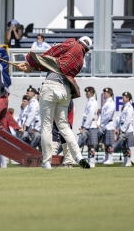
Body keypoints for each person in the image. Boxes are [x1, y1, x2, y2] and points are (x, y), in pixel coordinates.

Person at [17, 36, 92, 170]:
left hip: (51, 86)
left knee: (46, 125)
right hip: (65, 91)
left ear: (79, 41)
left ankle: (47, 162)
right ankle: (79, 158)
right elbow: (55, 65)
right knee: (64, 126)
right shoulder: (80, 61)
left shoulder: (72, 42)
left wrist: (32, 62)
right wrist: (32, 67)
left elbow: (53, 52)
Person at [78, 86, 99, 167]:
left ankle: (92, 162)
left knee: (90, 144)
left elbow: (90, 116)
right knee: (89, 145)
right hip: (88, 126)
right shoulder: (89, 101)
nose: (86, 93)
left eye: (87, 92)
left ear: (91, 93)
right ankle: (90, 161)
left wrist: (84, 127)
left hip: (91, 126)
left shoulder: (93, 102)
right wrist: (82, 126)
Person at [112, 92, 134, 167]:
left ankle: (128, 162)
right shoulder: (125, 106)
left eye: (124, 97)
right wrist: (120, 129)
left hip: (127, 130)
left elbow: (128, 120)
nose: (122, 98)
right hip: (123, 128)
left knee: (127, 146)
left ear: (128, 98)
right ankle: (125, 161)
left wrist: (123, 129)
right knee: (124, 147)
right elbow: (121, 120)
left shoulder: (129, 107)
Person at [52, 99, 75, 167]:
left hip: (64, 117)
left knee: (64, 137)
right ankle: (54, 159)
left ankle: (68, 161)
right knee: (57, 137)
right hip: (59, 117)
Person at [99, 87, 116, 165]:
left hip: (108, 125)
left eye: (105, 93)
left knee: (109, 143)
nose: (104, 95)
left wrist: (101, 124)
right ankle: (106, 158)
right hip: (105, 125)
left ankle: (110, 159)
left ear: (109, 93)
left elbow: (107, 116)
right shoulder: (106, 102)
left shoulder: (111, 103)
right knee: (105, 143)